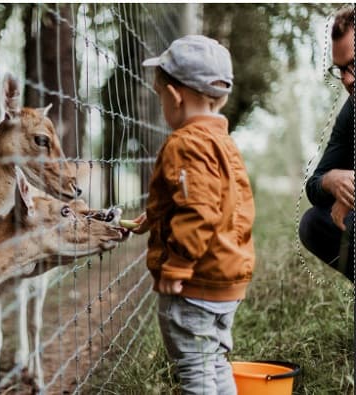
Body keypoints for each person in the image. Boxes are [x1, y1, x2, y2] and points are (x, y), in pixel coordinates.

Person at [132, 35, 255, 394]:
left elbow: (199, 210)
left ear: (174, 96)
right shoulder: (224, 144)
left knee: (196, 373)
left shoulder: (185, 143)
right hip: (225, 281)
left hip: (194, 284)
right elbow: (225, 205)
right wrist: (154, 218)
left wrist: (178, 265)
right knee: (214, 363)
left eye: (159, 97)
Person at [299, 7, 355, 283]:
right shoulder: (351, 111)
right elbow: (315, 184)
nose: (347, 80)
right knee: (313, 223)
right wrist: (331, 181)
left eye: (354, 65)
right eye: (341, 70)